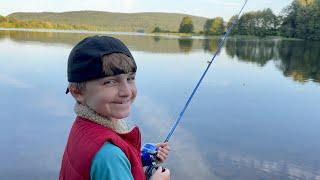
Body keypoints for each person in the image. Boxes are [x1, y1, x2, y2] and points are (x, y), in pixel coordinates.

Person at [59, 35, 170, 180]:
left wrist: (137, 157)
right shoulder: (110, 156)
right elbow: (109, 161)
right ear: (77, 92)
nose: (127, 92)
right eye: (110, 82)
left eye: (130, 78)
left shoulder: (82, 126)